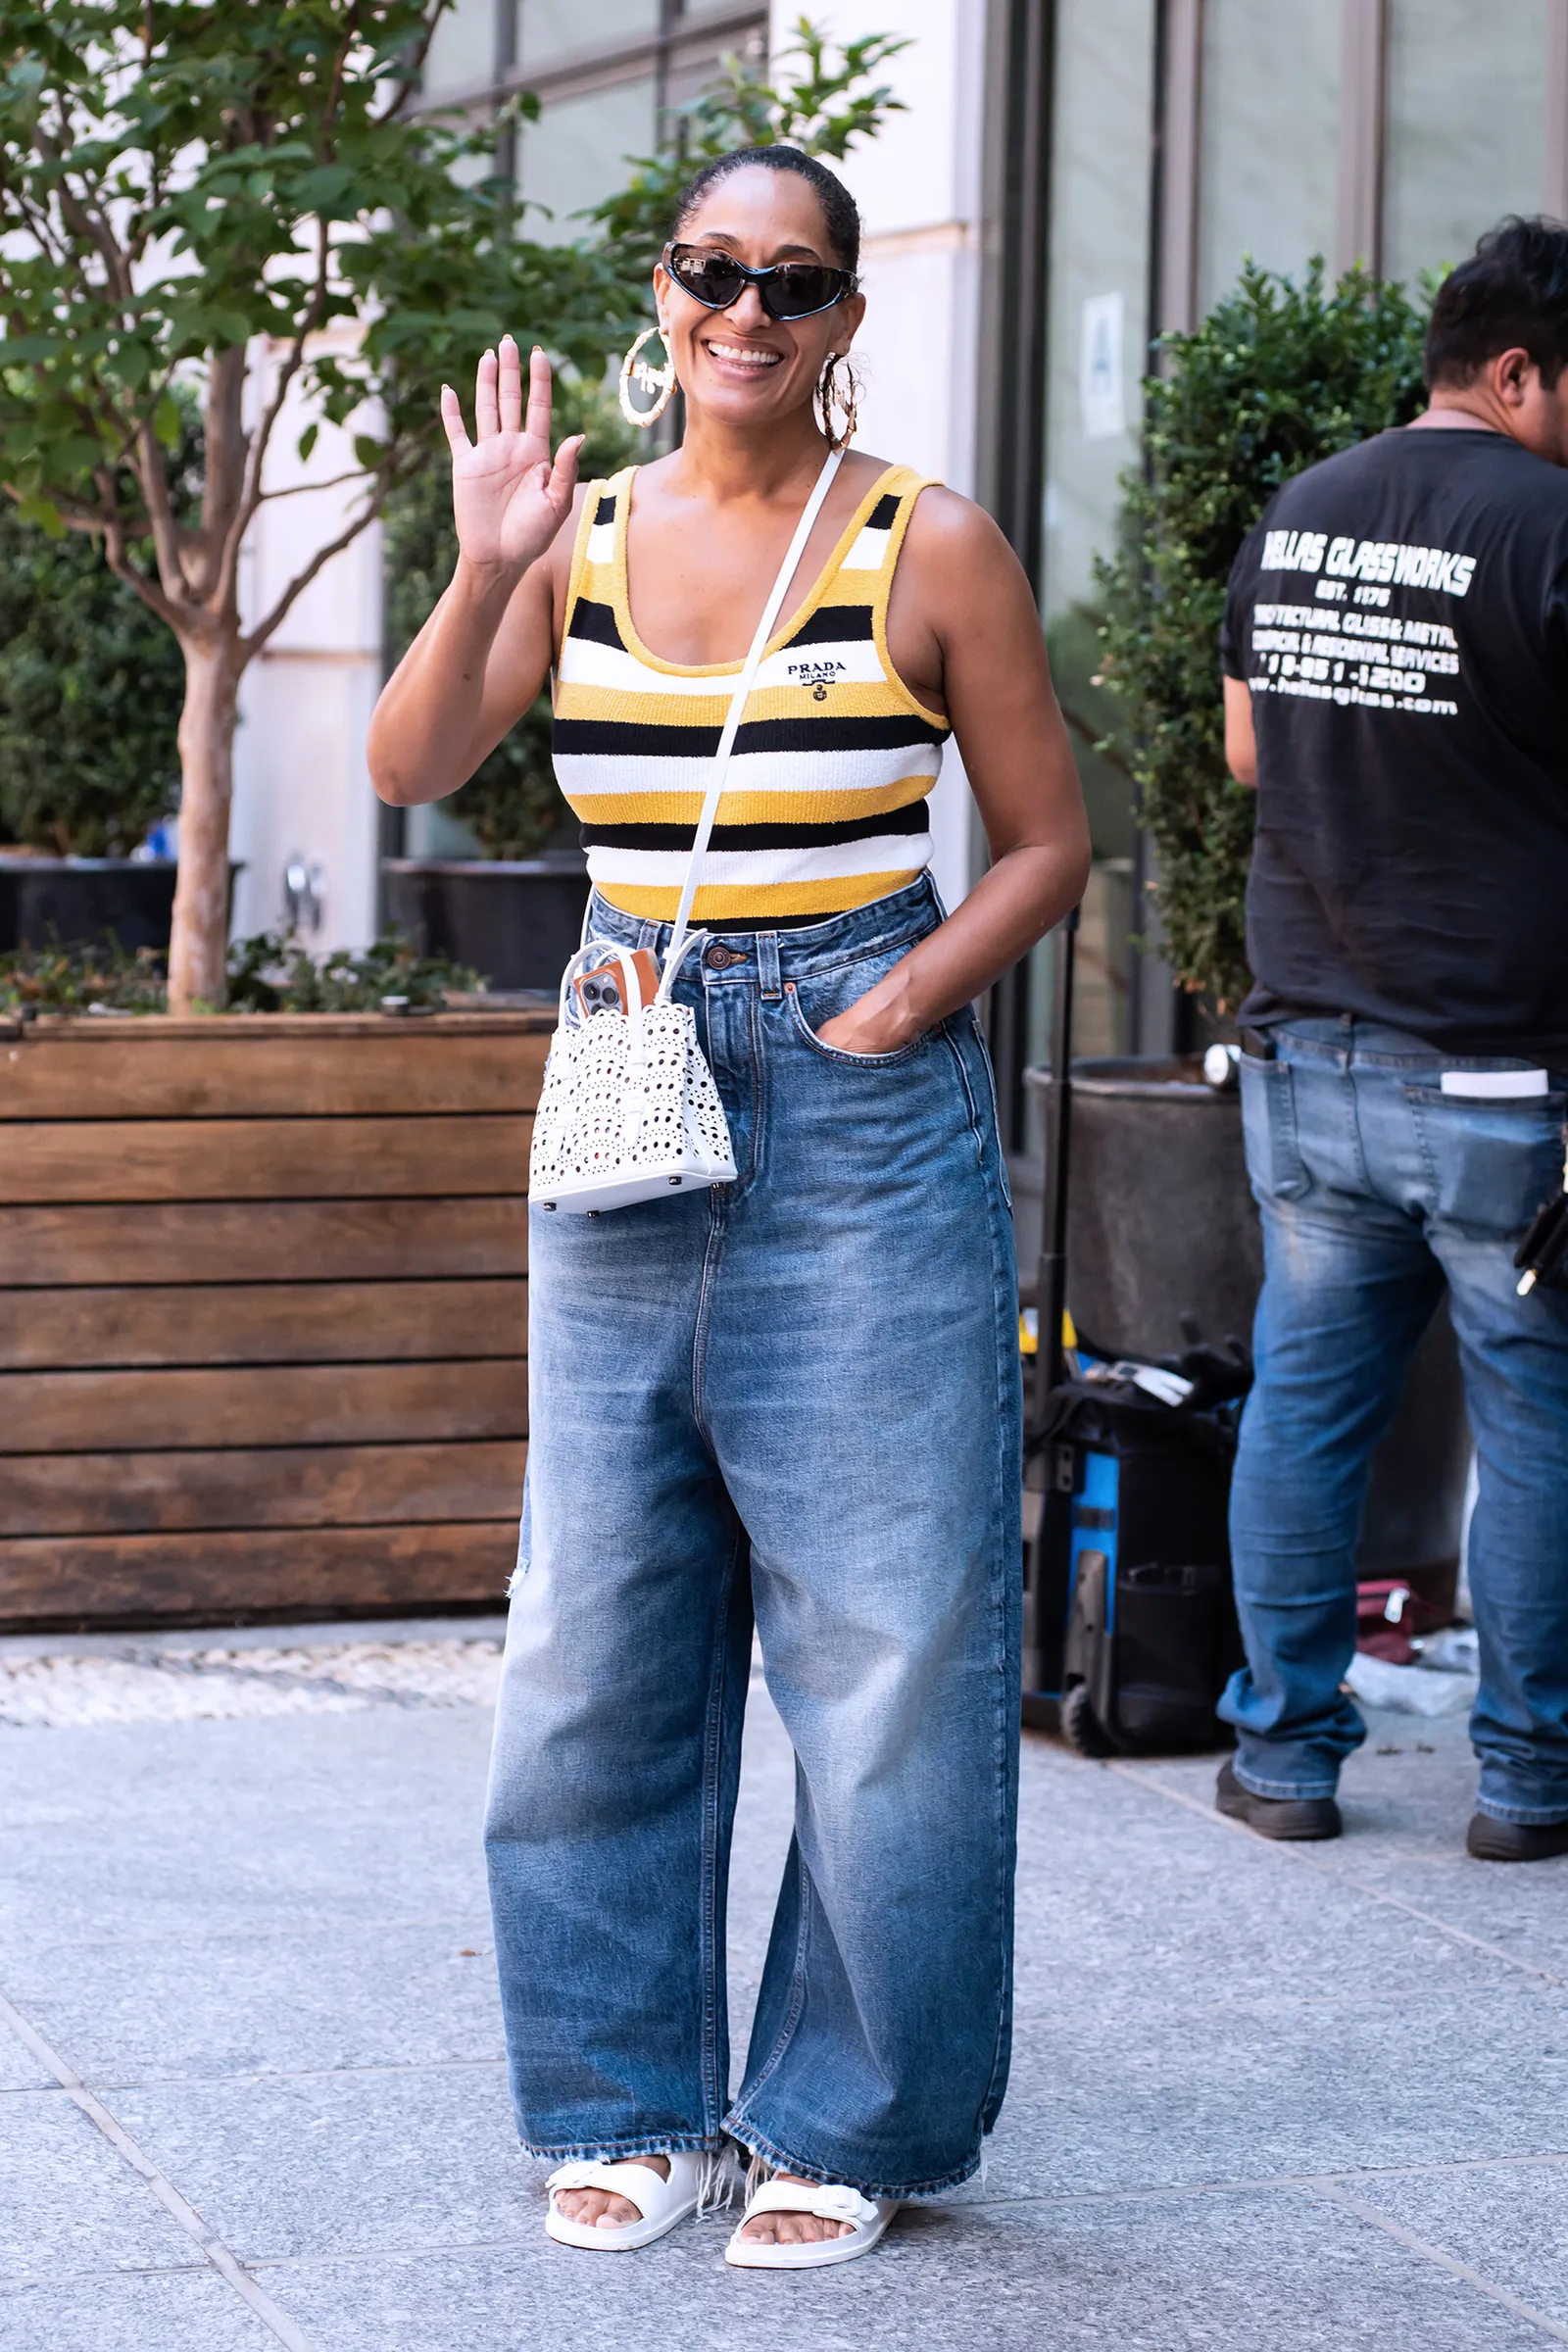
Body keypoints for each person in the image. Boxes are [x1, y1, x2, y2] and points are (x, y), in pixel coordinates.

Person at [368, 145, 1089, 2267]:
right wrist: (483, 559)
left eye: (791, 281)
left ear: (844, 317)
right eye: (711, 272)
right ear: (664, 293)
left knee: (885, 1638)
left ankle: (846, 2118)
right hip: (624, 1074)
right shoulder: (572, 533)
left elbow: (1046, 843)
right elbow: (415, 761)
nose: (745, 311)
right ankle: (626, 2096)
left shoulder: (925, 545)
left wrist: (892, 1011)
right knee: (594, 1626)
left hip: (856, 1111)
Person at [1216, 216, 1568, 1864]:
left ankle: (1283, 1758)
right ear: (1516, 372)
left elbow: (1242, 751)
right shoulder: (1554, 522)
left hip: (1307, 1052)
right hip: (1498, 1064)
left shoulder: (1302, 510)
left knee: (1304, 1407)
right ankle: (1530, 1780)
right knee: (1537, 1424)